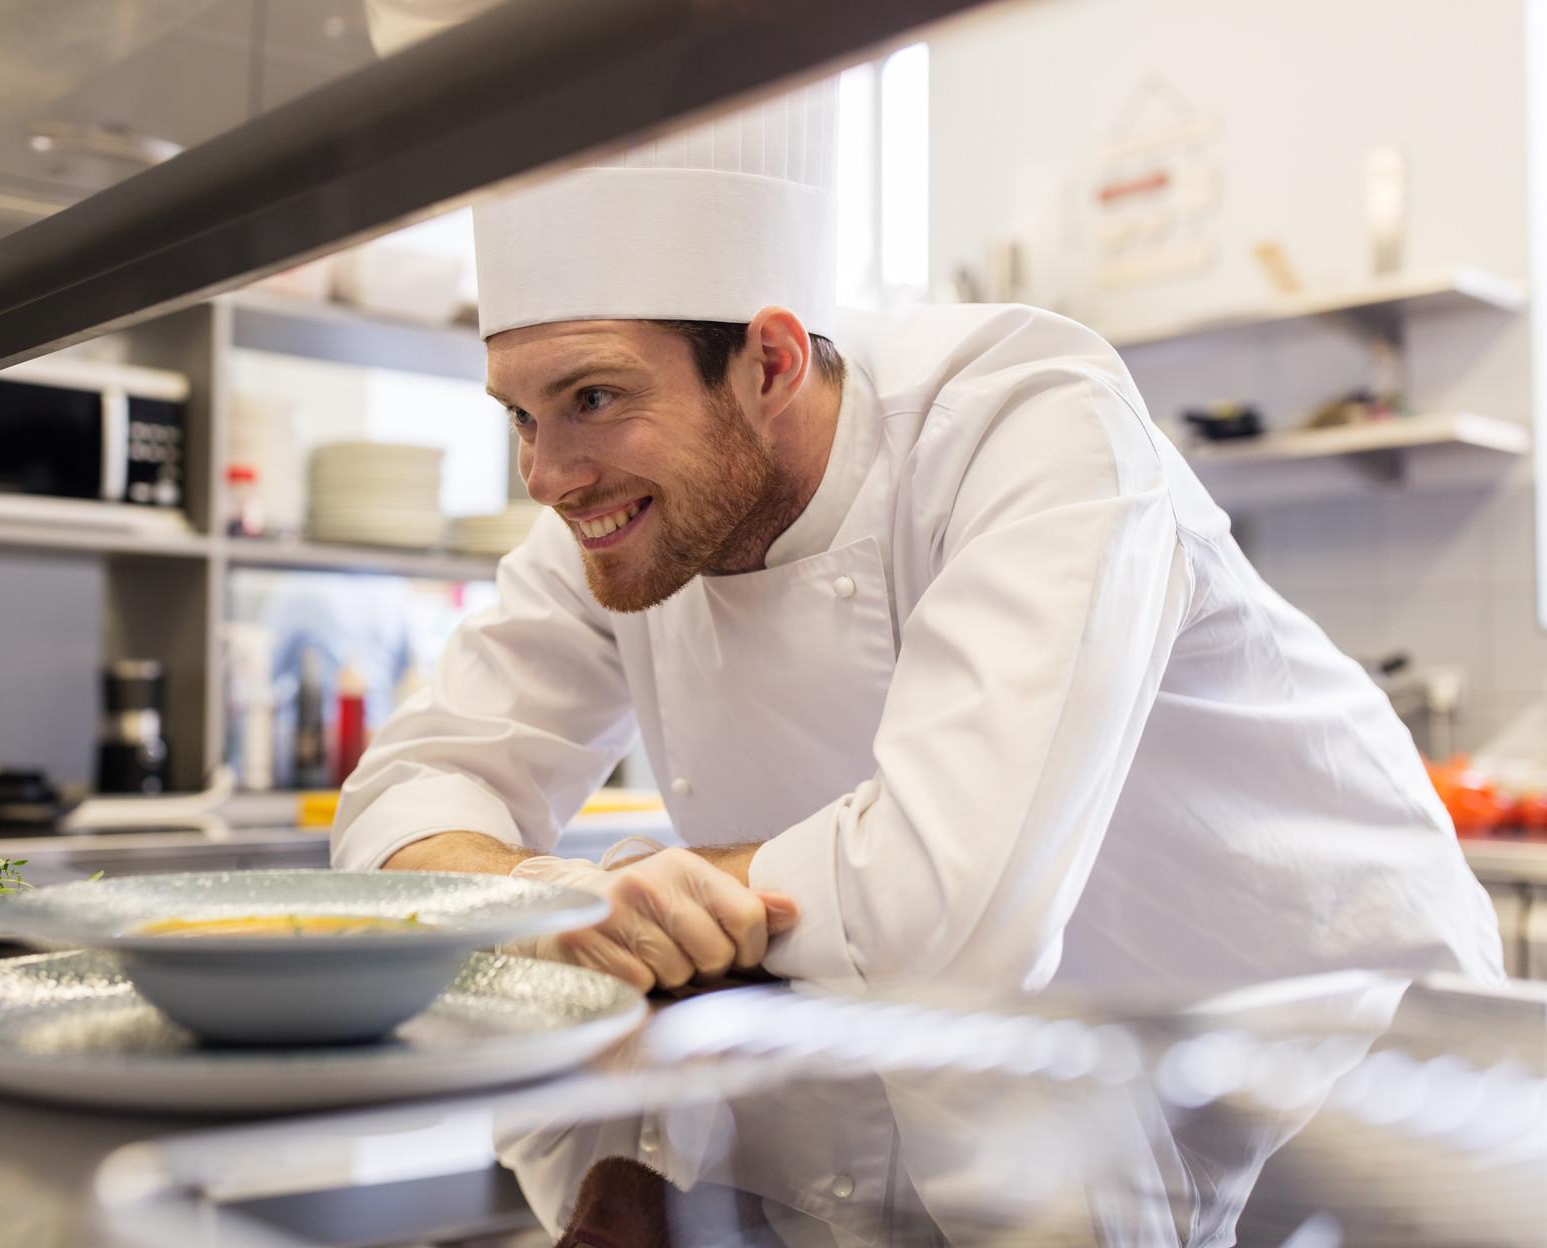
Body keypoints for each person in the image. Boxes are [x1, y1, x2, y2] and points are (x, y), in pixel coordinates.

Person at [330, 75, 1501, 1004]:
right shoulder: (623, 517)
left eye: (593, 398)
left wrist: (634, 899)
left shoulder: (1031, 425)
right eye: (521, 417)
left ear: (772, 362)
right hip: (1040, 1104)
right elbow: (403, 796)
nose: (546, 475)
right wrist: (549, 898)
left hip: (1346, 1084)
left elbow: (952, 917)